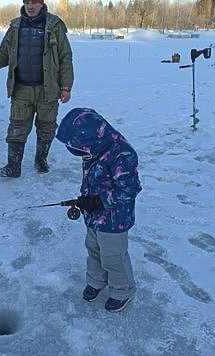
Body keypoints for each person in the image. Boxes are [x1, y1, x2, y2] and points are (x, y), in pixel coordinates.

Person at [55, 108, 142, 313]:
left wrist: (98, 202)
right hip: (94, 216)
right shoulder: (93, 149)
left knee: (113, 256)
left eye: (79, 149)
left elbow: (129, 189)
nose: (79, 155)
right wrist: (86, 200)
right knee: (93, 249)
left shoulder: (122, 153)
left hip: (114, 219)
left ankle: (123, 290)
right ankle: (96, 281)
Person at [0, 0, 74, 177]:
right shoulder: (15, 26)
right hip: (21, 88)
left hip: (48, 89)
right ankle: (13, 167)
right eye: (27, 2)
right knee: (17, 128)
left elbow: (65, 57)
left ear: (42, 4)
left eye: (34, 2)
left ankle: (41, 159)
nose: (30, 6)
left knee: (46, 128)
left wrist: (66, 86)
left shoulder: (55, 25)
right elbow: (4, 53)